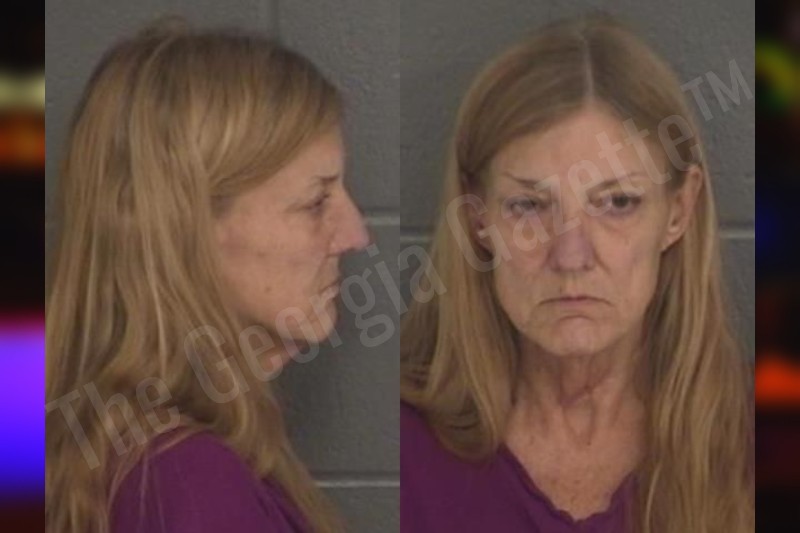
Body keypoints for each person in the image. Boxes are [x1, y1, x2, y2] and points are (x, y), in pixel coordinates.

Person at [400, 13, 754, 533]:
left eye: (617, 202)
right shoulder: (408, 449)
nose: (570, 257)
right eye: (527, 205)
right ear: (478, 221)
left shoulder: (758, 441)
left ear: (678, 212)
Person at [45, 19, 369, 533]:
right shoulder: (184, 481)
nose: (355, 235)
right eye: (315, 202)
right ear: (186, 230)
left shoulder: (152, 456)